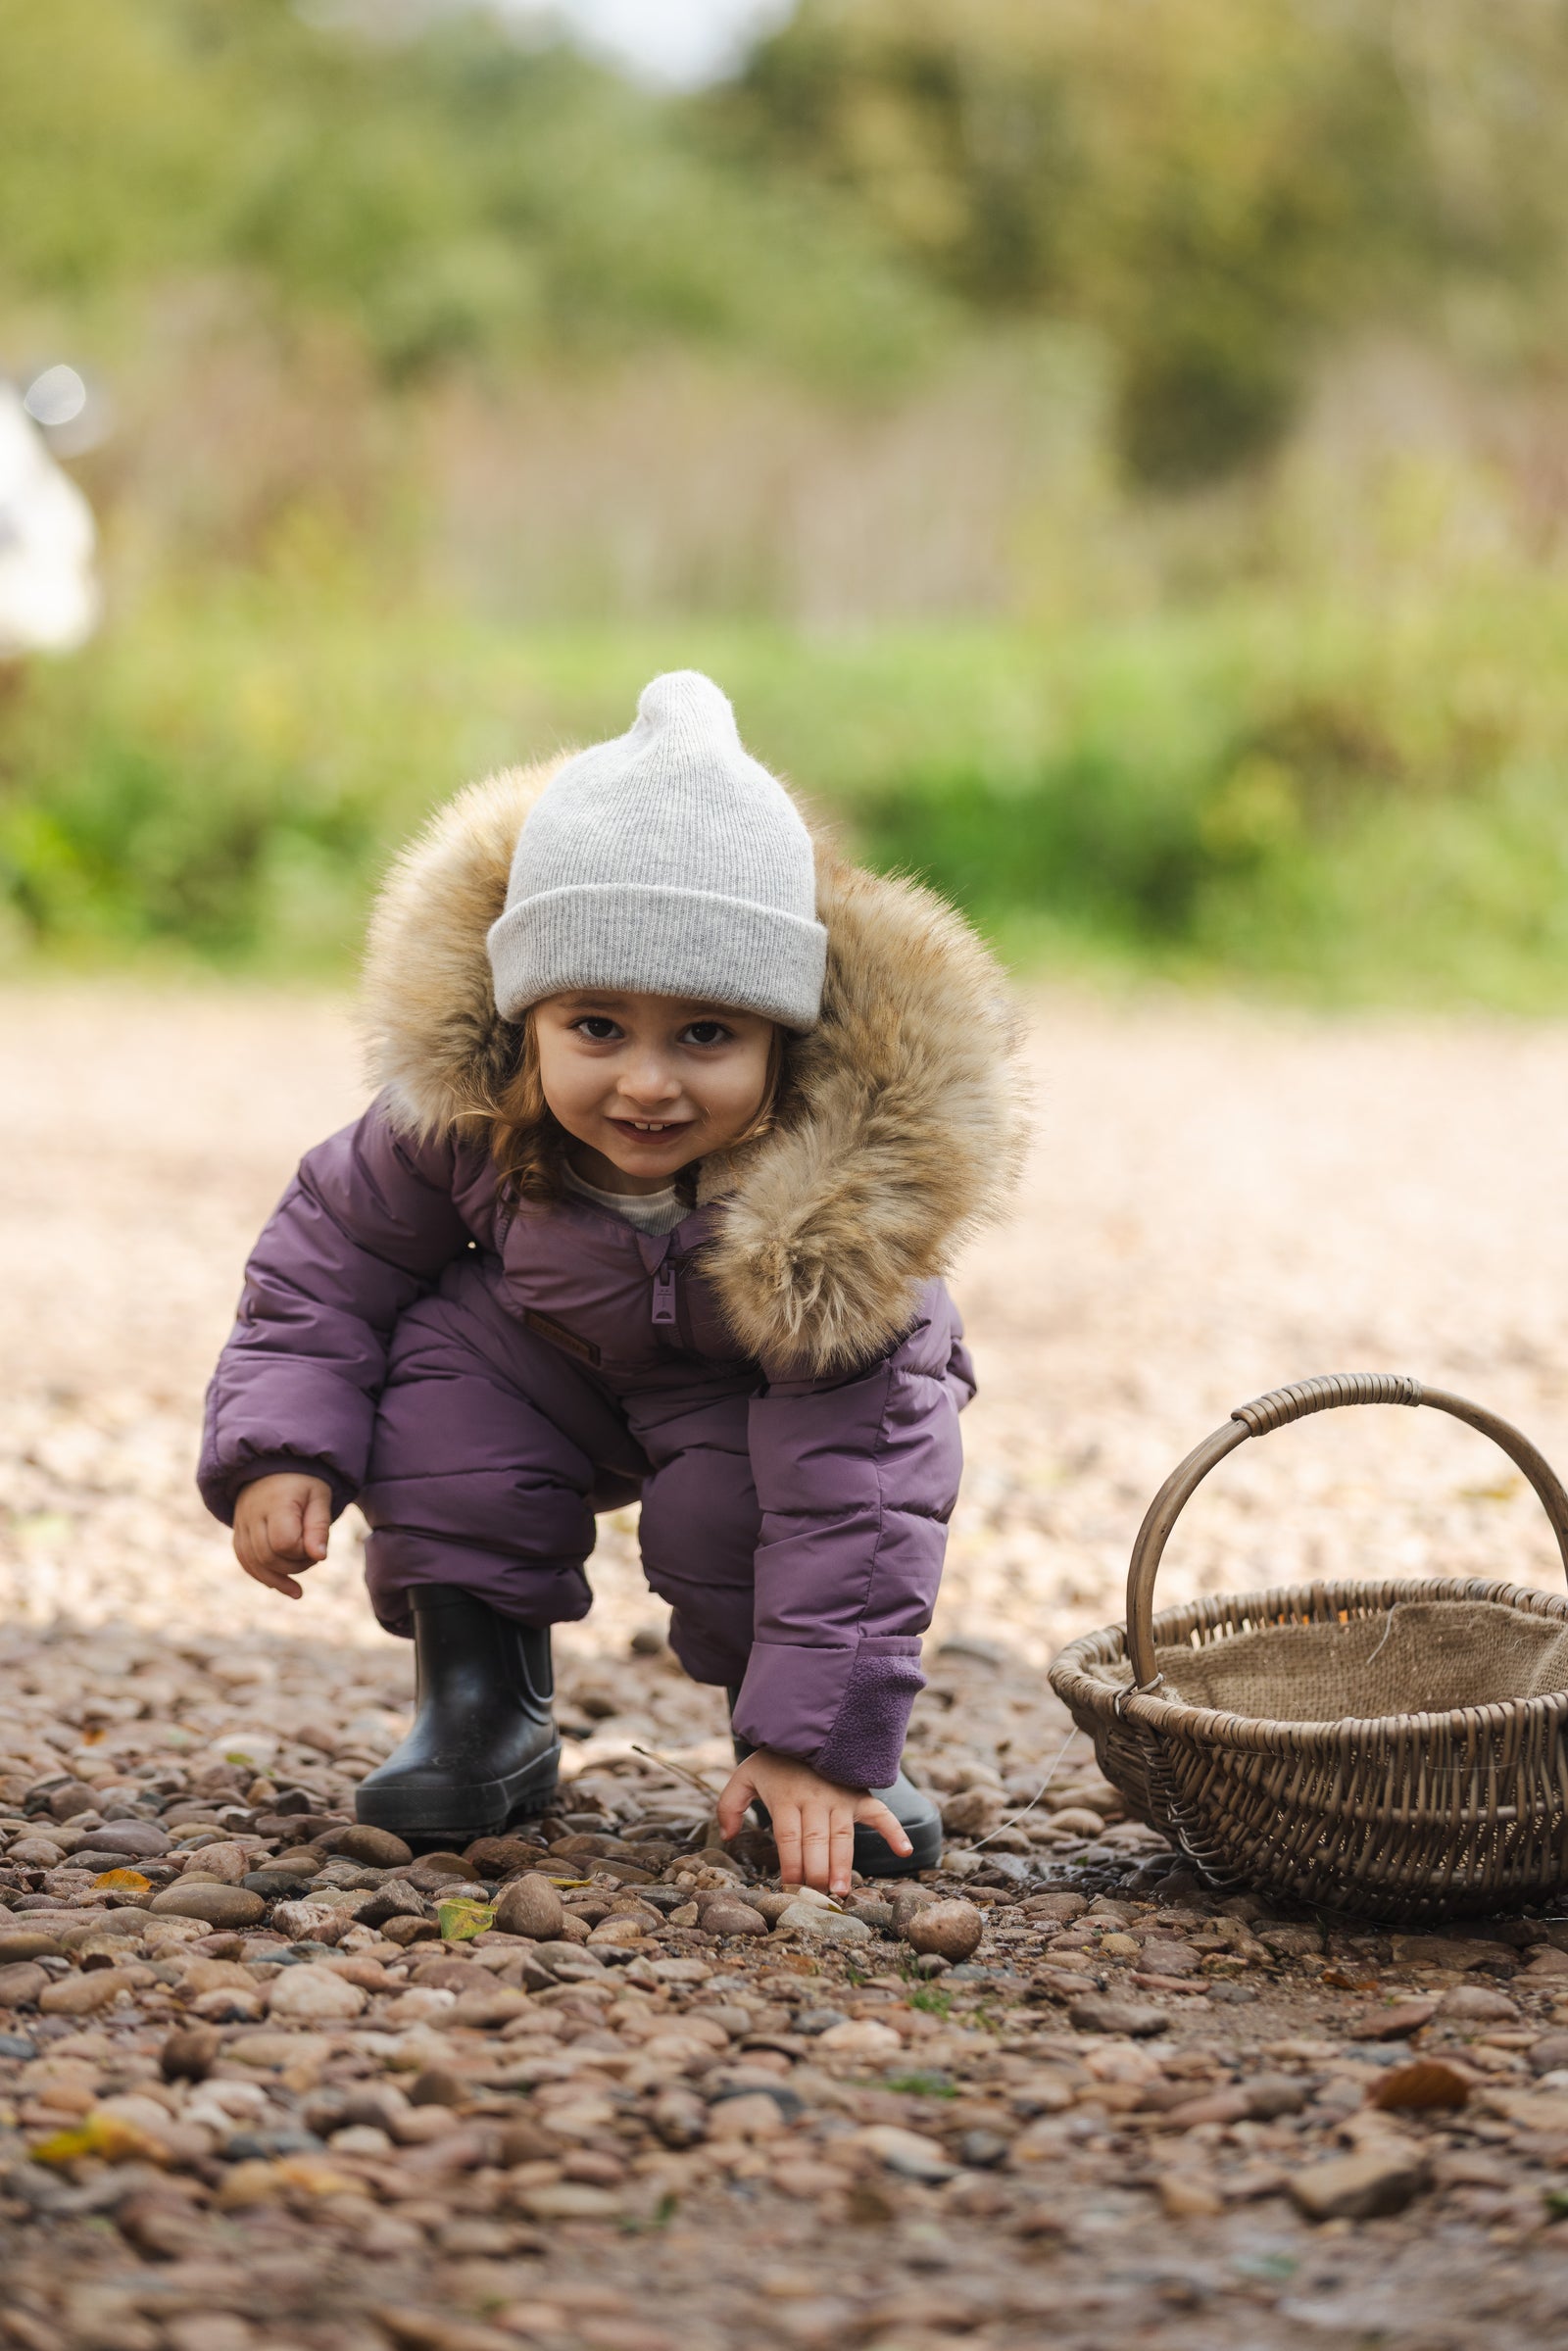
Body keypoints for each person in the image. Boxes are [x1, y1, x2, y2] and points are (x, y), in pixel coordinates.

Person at [198, 671, 1021, 1895]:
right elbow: (330, 1261)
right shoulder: (464, 1118)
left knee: (734, 1507)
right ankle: (482, 1700)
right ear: (525, 1015)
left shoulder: (833, 1220)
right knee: (440, 1390)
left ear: (782, 1039)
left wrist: (823, 1738)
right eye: (596, 1026)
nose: (645, 1082)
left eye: (705, 1034)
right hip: (544, 1363)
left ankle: (780, 1752)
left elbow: (863, 1487)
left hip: (739, 1401)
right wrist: (281, 1446)